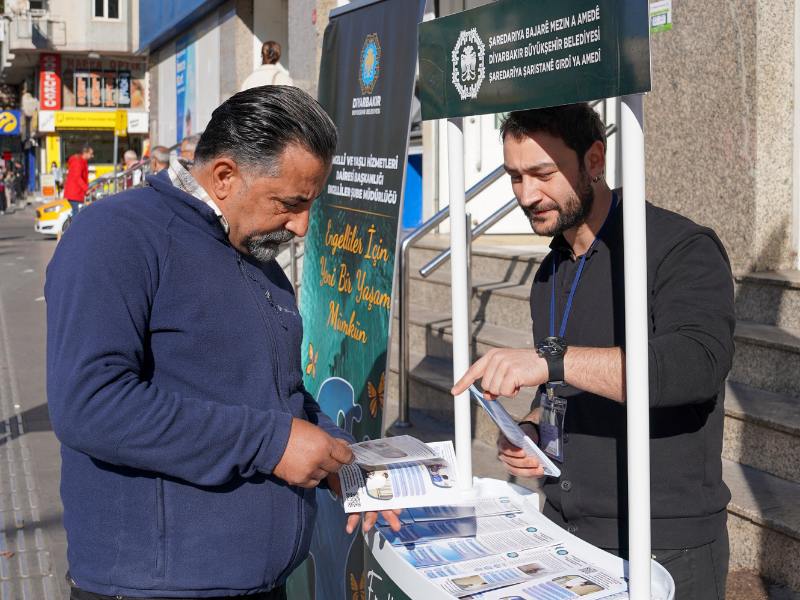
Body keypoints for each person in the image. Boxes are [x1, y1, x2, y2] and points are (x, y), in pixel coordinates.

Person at [45, 86, 402, 600]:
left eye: (310, 204)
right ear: (225, 176)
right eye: (290, 203)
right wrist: (271, 443)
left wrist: (335, 455)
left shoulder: (257, 255)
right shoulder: (115, 235)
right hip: (155, 590)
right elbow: (90, 404)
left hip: (262, 583)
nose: (302, 225)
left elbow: (278, 392)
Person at [452, 103, 735, 600]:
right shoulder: (551, 270)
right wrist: (532, 430)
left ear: (595, 161)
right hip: (565, 533)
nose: (526, 195)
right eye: (515, 176)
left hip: (664, 546)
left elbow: (696, 365)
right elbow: (559, 384)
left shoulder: (678, 247)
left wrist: (548, 362)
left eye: (543, 174)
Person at [63, 145, 93, 216]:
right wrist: (87, 189)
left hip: (76, 194)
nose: (92, 156)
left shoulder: (81, 161)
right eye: (91, 154)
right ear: (85, 152)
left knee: (78, 214)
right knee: (77, 216)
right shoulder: (78, 162)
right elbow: (77, 177)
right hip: (76, 194)